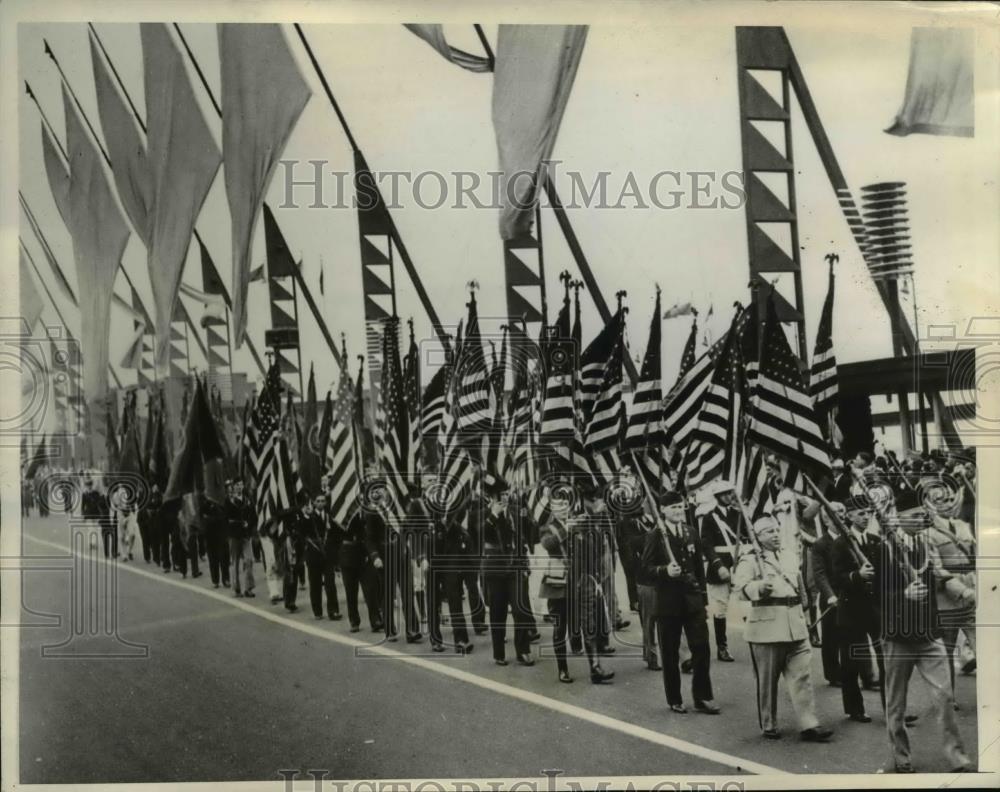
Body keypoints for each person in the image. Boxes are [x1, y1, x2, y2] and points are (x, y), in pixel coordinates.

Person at [873, 505, 972, 773]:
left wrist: (960, 589)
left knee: (945, 696)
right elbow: (875, 597)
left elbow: (938, 577)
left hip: (929, 634)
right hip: (897, 637)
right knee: (896, 703)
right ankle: (901, 758)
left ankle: (957, 757)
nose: (921, 519)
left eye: (922, 515)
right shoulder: (884, 550)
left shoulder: (924, 547)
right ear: (899, 517)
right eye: (914, 515)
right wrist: (903, 596)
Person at [732, 515, 832, 742]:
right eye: (768, 532)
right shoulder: (750, 560)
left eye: (776, 530)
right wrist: (759, 587)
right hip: (766, 627)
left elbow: (800, 589)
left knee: (802, 677)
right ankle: (769, 722)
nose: (775, 534)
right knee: (767, 681)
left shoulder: (788, 555)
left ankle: (809, 723)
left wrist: (805, 615)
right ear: (757, 537)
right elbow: (740, 588)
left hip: (795, 625)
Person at [641, 489, 721, 714]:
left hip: (692, 600)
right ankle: (674, 698)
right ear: (663, 510)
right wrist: (665, 570)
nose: (678, 511)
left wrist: (704, 599)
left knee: (702, 648)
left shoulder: (691, 532)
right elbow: (645, 571)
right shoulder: (656, 535)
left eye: (680, 506)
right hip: (668, 602)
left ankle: (703, 696)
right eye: (673, 507)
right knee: (670, 651)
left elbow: (698, 569)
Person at [830, 501, 885, 722]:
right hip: (851, 608)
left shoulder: (874, 541)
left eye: (869, 513)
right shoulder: (840, 544)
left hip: (874, 609)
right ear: (850, 516)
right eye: (861, 513)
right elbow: (836, 577)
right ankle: (854, 708)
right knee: (851, 662)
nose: (866, 517)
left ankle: (893, 707)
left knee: (886, 659)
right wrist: (856, 576)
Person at [564, 481, 615, 683]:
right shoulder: (577, 524)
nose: (600, 504)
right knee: (588, 622)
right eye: (595, 500)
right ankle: (594, 667)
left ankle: (595, 655)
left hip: (592, 577)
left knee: (595, 619)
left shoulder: (594, 522)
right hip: (580, 578)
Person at [480, 475, 533, 666]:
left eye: (505, 494)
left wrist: (525, 563)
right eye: (499, 495)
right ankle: (499, 653)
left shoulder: (515, 511)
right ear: (491, 497)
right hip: (495, 569)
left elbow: (523, 538)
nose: (504, 498)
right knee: (497, 611)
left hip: (515, 567)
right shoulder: (482, 513)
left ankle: (523, 650)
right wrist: (493, 516)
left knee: (521, 609)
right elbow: (480, 534)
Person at [925, 506, 976, 697]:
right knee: (946, 654)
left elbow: (975, 556)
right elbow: (937, 569)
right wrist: (963, 592)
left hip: (971, 598)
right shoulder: (927, 534)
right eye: (938, 500)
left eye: (948, 498)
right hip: (946, 602)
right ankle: (948, 696)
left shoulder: (963, 526)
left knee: (986, 648)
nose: (946, 503)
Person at [698, 479, 750, 662]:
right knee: (720, 609)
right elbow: (706, 544)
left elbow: (746, 536)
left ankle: (755, 642)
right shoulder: (709, 517)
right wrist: (718, 565)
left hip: (739, 563)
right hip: (720, 566)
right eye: (726, 493)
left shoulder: (739, 515)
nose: (730, 496)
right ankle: (722, 647)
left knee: (746, 604)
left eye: (731, 493)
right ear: (718, 496)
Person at [366, 486, 422, 643]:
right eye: (377, 492)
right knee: (388, 595)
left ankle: (412, 630)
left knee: (408, 593)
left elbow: (406, 529)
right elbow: (369, 538)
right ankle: (390, 629)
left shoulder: (397, 510)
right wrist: (375, 556)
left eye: (383, 491)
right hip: (385, 556)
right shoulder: (372, 512)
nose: (381, 494)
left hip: (402, 553)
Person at [809, 499, 843, 688]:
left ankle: (863, 672)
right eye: (836, 514)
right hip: (832, 595)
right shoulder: (820, 544)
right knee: (831, 636)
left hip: (849, 594)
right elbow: (819, 574)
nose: (842, 516)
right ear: (826, 520)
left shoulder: (850, 539)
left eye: (842, 512)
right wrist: (829, 595)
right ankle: (832, 673)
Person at [340, 504, 384, 633]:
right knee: (351, 591)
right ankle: (354, 621)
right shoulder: (342, 514)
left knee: (371, 589)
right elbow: (335, 536)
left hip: (364, 555)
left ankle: (375, 620)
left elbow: (371, 533)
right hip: (347, 556)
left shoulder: (368, 513)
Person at [303, 492, 341, 620]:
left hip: (327, 555)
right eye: (317, 501)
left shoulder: (330, 517)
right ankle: (317, 611)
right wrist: (306, 517)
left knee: (330, 583)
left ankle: (333, 611)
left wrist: (336, 558)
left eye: (322, 501)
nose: (320, 503)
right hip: (313, 554)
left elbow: (336, 537)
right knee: (315, 584)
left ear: (325, 503)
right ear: (313, 503)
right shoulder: (309, 517)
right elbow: (302, 531)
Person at [224, 480, 256, 598]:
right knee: (235, 561)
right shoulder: (229, 501)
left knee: (249, 560)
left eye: (241, 484)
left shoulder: (248, 500)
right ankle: (236, 588)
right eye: (237, 485)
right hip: (234, 534)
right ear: (233, 487)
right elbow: (226, 518)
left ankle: (249, 588)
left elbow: (253, 516)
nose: (239, 487)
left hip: (246, 534)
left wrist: (250, 524)